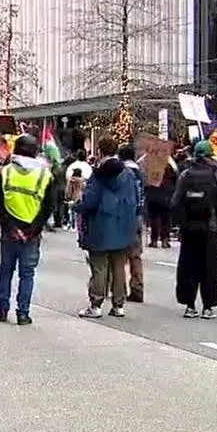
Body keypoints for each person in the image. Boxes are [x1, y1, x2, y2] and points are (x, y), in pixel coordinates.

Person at [0, 135, 52, 324]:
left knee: (6, 269)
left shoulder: (6, 172)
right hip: (31, 232)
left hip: (10, 229)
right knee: (27, 273)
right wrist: (33, 229)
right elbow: (48, 206)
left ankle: (2, 308)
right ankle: (23, 313)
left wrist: (8, 226)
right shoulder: (45, 174)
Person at [77, 136, 139, 320]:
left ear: (100, 151)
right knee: (119, 266)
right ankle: (118, 304)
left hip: (101, 225)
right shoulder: (128, 174)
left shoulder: (99, 174)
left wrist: (77, 205)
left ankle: (96, 304)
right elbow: (136, 199)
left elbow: (90, 201)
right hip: (123, 224)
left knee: (99, 266)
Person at [170, 140, 217, 318]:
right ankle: (208, 307)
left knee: (189, 265)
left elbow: (175, 201)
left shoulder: (185, 175)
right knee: (209, 266)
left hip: (189, 227)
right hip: (210, 227)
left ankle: (189, 305)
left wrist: (178, 223)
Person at [118, 144, 146, 303]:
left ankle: (118, 289)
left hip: (124, 216)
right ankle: (137, 287)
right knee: (135, 255)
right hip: (138, 215)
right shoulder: (140, 173)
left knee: (119, 255)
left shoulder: (122, 173)